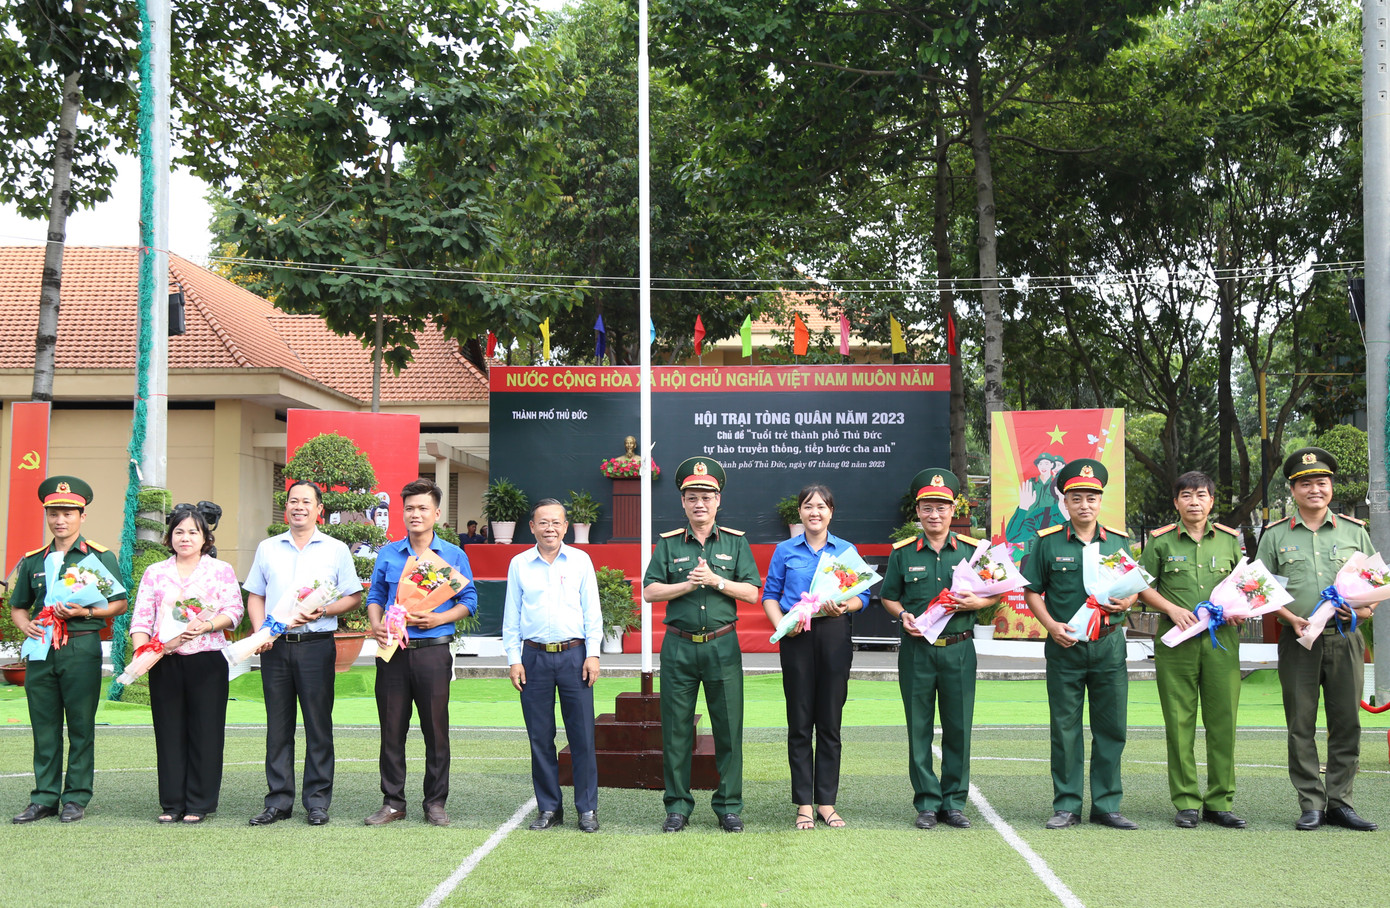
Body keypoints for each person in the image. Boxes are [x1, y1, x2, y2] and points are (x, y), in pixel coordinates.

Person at [1255, 446, 1379, 831]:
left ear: (1331, 487)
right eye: (1305, 483)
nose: (1315, 489)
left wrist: (1360, 612)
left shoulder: (1355, 532)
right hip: (1298, 640)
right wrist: (1290, 618)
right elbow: (1260, 590)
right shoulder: (1275, 537)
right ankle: (1311, 802)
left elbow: (1374, 588)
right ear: (1293, 490)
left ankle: (1341, 803)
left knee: (1347, 722)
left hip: (1344, 638)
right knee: (1300, 723)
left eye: (1321, 482)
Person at [1022, 458, 1142, 830]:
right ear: (1065, 501)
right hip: (1065, 645)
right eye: (1076, 497)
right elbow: (1032, 591)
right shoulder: (1048, 542)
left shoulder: (1118, 541)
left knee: (1111, 726)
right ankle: (1067, 805)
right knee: (1065, 727)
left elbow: (1132, 588)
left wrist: (1128, 603)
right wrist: (1050, 625)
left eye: (1091, 497)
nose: (1084, 504)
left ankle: (1107, 804)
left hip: (1108, 646)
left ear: (1100, 501)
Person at [643, 457, 761, 833]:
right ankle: (677, 806)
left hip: (722, 646)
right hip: (678, 647)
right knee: (676, 730)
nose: (700, 504)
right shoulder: (668, 545)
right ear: (682, 502)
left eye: (706, 497)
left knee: (729, 728)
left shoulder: (736, 543)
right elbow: (649, 591)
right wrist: (688, 585)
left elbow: (752, 593)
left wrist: (715, 581)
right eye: (692, 497)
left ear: (718, 501)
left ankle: (728, 805)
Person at [878, 469, 999, 830]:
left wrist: (975, 603)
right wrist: (903, 616)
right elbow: (888, 597)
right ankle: (927, 803)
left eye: (942, 507)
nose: (935, 514)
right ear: (918, 511)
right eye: (927, 507)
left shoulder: (973, 551)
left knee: (958, 726)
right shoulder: (902, 554)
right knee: (919, 728)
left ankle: (954, 802)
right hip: (917, 650)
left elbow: (997, 589)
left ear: (953, 509)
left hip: (959, 649)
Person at [244, 479, 362, 826]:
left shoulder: (336, 549)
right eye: (293, 501)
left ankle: (317, 801)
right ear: (287, 507)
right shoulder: (267, 548)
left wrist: (324, 611)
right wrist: (259, 633)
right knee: (278, 727)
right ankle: (278, 801)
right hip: (275, 646)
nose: (298, 507)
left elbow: (353, 596)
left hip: (316, 645)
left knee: (318, 725)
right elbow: (255, 594)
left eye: (306, 502)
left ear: (319, 509)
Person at [10, 476, 127, 824]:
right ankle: (44, 797)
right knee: (43, 726)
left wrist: (86, 612)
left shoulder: (97, 557)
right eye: (54, 513)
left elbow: (119, 604)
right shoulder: (34, 560)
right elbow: (19, 605)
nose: (60, 520)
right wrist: (23, 625)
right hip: (41, 650)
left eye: (68, 512)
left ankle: (76, 797)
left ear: (82, 515)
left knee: (79, 725)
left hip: (80, 647)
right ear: (47, 516)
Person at [1136, 472, 1246, 829]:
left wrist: (1240, 609)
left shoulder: (1229, 541)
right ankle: (1186, 801)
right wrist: (1170, 608)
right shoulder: (1161, 542)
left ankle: (1220, 801)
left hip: (1222, 644)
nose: (1194, 502)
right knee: (1179, 722)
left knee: (1223, 722)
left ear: (1212, 501)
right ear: (1176, 503)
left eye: (1201, 495)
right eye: (1186, 495)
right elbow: (1140, 585)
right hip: (1176, 644)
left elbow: (1245, 586)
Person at [364, 479, 476, 827]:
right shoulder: (388, 553)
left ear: (437, 513)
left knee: (435, 729)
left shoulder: (453, 556)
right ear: (403, 512)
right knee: (391, 730)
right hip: (392, 652)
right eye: (410, 508)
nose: (416, 514)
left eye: (423, 508)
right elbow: (375, 597)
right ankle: (393, 801)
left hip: (433, 653)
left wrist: (439, 617)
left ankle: (435, 802)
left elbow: (469, 601)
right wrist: (376, 624)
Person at [128, 503, 245, 823]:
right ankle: (171, 803)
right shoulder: (155, 573)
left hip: (207, 660)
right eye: (179, 531)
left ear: (205, 537)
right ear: (169, 537)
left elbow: (234, 611)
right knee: (168, 732)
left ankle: (199, 803)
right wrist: (144, 655)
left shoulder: (220, 571)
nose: (185, 537)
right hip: (164, 661)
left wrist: (206, 625)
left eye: (193, 531)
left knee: (206, 732)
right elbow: (140, 620)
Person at [761, 484, 869, 830]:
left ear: (831, 512)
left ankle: (827, 802)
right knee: (800, 721)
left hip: (834, 634)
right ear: (800, 513)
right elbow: (770, 595)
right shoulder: (785, 550)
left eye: (821, 506)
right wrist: (782, 627)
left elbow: (863, 598)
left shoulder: (845, 550)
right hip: (796, 637)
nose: (815, 512)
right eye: (808, 506)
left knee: (830, 722)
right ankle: (803, 805)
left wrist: (845, 605)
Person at [503, 498, 603, 833]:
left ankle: (587, 809)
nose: (550, 528)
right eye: (543, 522)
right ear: (532, 527)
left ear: (566, 526)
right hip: (533, 658)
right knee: (539, 737)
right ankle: (549, 808)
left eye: (556, 522)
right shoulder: (519, 564)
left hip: (575, 656)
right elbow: (511, 618)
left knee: (582, 736)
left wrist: (593, 654)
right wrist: (514, 660)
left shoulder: (580, 560)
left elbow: (592, 612)